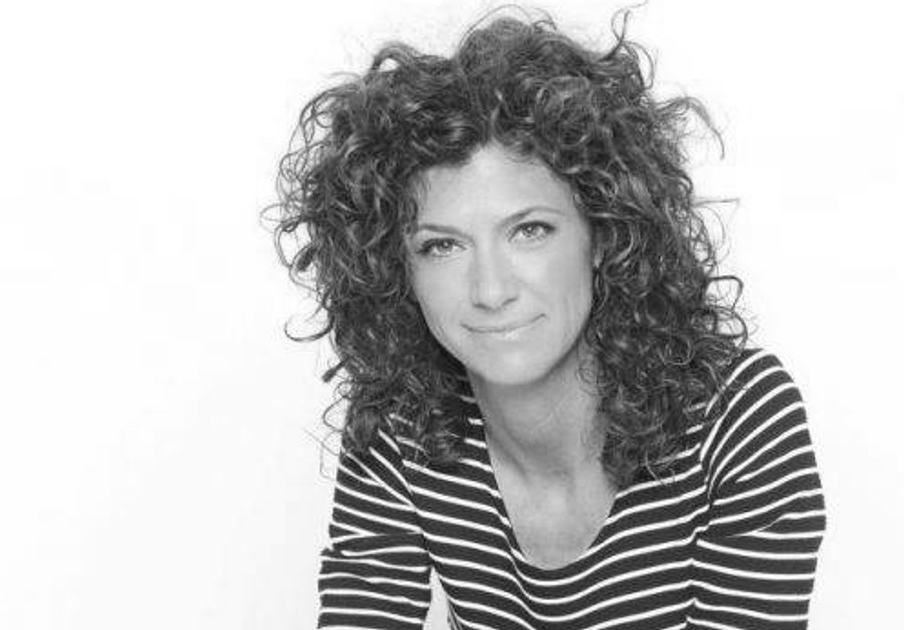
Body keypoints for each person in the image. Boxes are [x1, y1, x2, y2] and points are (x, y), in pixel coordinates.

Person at [271, 10, 826, 629]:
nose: (491, 290)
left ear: (603, 234)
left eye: (530, 230)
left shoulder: (736, 418)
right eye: (442, 245)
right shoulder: (402, 425)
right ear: (396, 268)